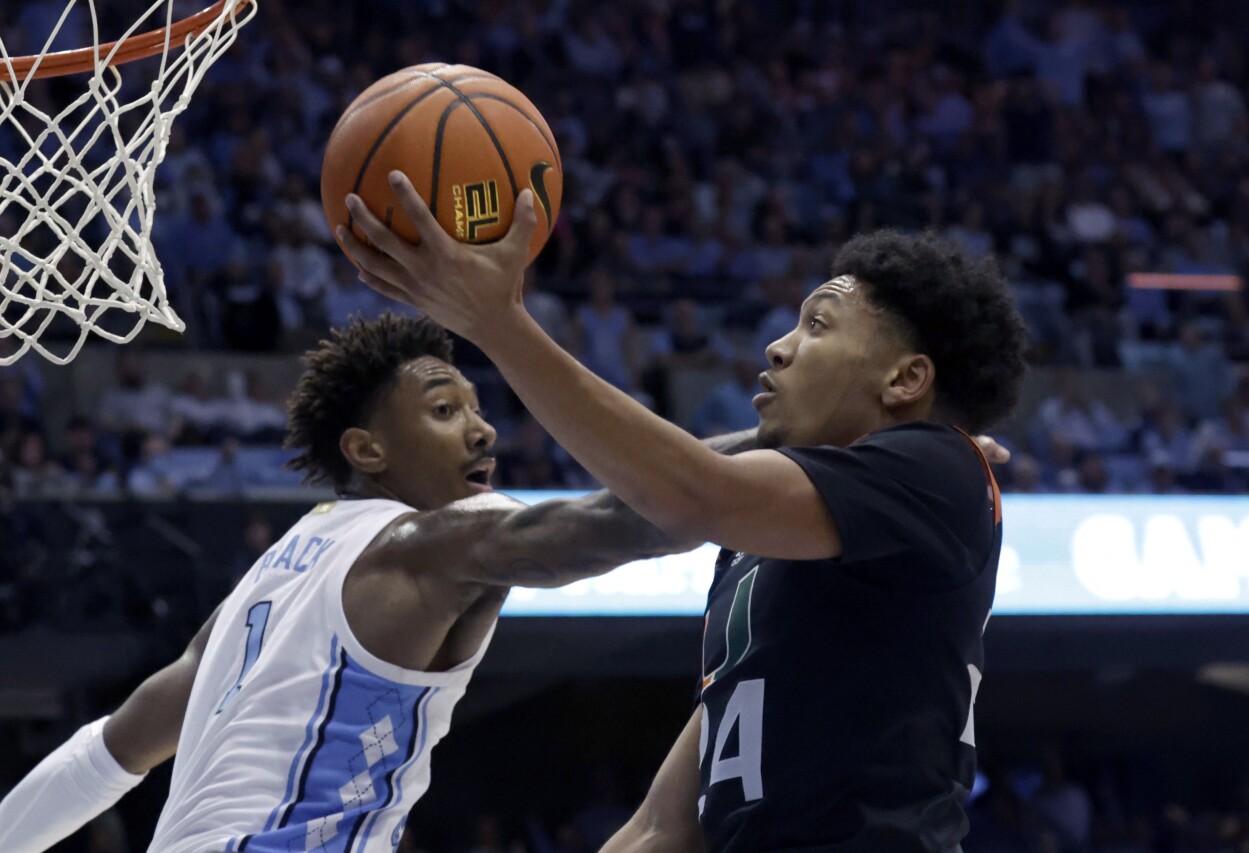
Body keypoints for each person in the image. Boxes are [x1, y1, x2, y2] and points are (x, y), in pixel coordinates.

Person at [339, 177, 1027, 851]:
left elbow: (694, 492)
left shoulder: (940, 468)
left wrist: (497, 322)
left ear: (905, 380)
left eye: (816, 325)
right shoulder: (760, 547)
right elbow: (663, 827)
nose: (778, 346)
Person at [0, 314, 757, 853]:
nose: (483, 429)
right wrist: (798, 437)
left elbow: (106, 752)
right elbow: (634, 517)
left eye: (476, 407)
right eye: (442, 409)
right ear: (367, 449)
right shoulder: (425, 545)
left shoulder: (268, 578)